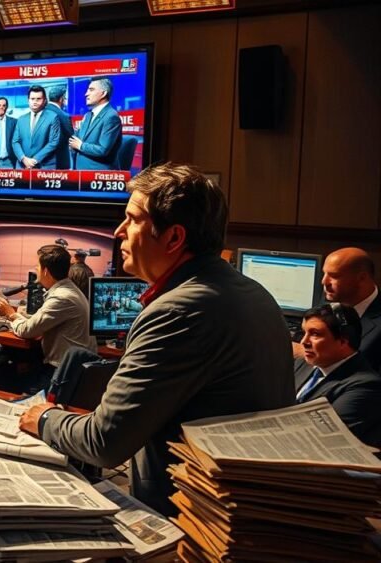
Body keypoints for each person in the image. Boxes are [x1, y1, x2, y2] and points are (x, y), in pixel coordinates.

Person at [18, 163, 293, 516]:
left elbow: (106, 441)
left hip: (187, 522)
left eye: (132, 219)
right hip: (240, 517)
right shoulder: (254, 293)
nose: (119, 231)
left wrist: (44, 418)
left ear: (174, 238)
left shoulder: (177, 310)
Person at [0, 244, 96, 379]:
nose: (36, 269)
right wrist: (17, 316)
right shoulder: (68, 290)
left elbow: (26, 330)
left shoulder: (61, 297)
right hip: (72, 368)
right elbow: (36, 324)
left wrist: (11, 314)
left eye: (38, 266)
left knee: (7, 374)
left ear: (45, 271)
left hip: (65, 373)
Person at [294, 304, 381, 447]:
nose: (304, 342)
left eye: (315, 334)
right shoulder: (303, 364)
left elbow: (325, 439)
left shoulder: (367, 387)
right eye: (304, 332)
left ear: (343, 341)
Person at [318, 247, 380, 370]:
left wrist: (306, 353)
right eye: (324, 273)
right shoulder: (326, 303)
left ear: (362, 278)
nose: (324, 281)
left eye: (334, 276)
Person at [70, 78, 123, 170]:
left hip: (98, 173)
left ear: (103, 93)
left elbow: (103, 150)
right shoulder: (87, 116)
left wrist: (80, 146)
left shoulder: (111, 117)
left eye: (91, 90)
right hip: (79, 171)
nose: (86, 94)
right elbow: (75, 141)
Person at [12, 85, 61, 170]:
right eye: (32, 99)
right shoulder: (21, 119)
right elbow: (15, 141)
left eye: (38, 99)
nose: (35, 102)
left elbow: (53, 142)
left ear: (44, 100)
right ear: (28, 100)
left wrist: (34, 160)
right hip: (22, 166)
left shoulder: (53, 117)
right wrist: (23, 158)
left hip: (43, 166)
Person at [45, 85, 74, 170]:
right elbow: (72, 137)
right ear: (61, 99)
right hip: (59, 161)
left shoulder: (40, 112)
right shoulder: (64, 116)